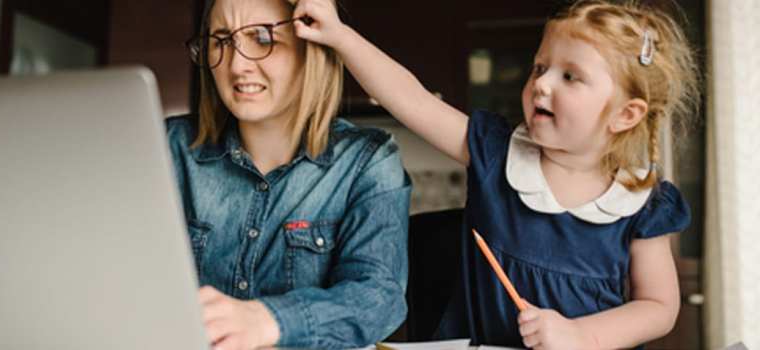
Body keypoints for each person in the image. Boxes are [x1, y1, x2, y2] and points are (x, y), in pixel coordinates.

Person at [293, 0, 700, 348]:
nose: (541, 84)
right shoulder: (495, 153)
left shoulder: (642, 201)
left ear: (625, 115)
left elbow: (658, 307)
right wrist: (339, 35)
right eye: (540, 67)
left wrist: (582, 337)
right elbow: (412, 100)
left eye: (570, 76)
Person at [166, 0, 412, 349]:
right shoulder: (168, 148)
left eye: (262, 38)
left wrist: (270, 320)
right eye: (221, 41)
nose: (237, 65)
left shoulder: (366, 160)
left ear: (312, 48)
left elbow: (378, 297)